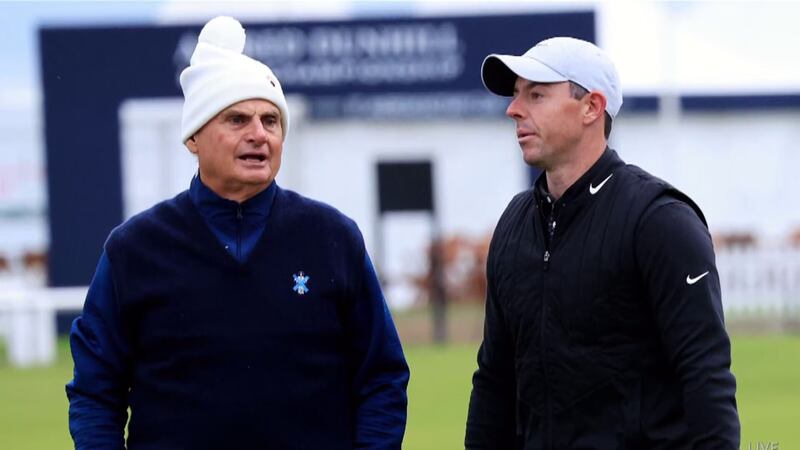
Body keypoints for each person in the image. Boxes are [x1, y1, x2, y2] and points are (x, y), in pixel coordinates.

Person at [66, 16, 409, 449]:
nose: (258, 135)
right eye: (237, 119)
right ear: (194, 136)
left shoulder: (332, 238)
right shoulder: (134, 249)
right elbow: (95, 391)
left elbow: (382, 376)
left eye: (271, 121)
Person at [465, 37, 740, 449]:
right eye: (516, 95)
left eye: (536, 94)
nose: (513, 109)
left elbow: (705, 372)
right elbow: (494, 381)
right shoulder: (513, 225)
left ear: (591, 107)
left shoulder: (659, 220)